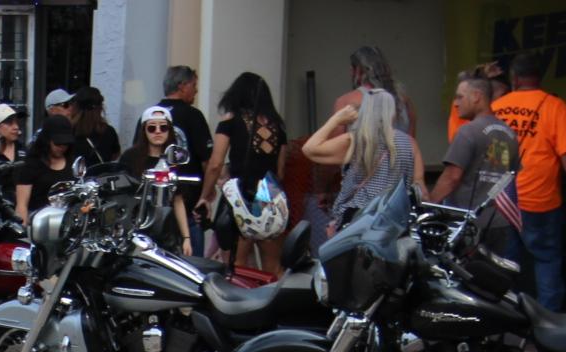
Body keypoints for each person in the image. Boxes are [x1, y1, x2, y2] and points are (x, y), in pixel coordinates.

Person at [491, 52, 566, 308]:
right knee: (547, 261)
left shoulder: (497, 107)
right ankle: (548, 322)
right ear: (539, 77)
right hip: (539, 200)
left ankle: (505, 318)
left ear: (514, 78)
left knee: (504, 265)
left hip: (501, 200)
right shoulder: (554, 106)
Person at [198, 71, 287, 273]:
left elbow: (215, 163)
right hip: (271, 197)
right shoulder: (278, 126)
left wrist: (205, 195)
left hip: (241, 197)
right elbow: (280, 171)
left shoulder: (230, 120)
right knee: (273, 267)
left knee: (237, 266)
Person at [306, 87, 423, 234]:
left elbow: (309, 149)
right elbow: (419, 186)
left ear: (366, 110)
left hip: (358, 219)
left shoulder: (356, 141)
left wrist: (336, 119)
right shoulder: (410, 143)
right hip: (396, 220)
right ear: (392, 112)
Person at [430, 71, 518, 209]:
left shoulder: (468, 131)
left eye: (460, 97)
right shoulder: (510, 134)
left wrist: (429, 204)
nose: (456, 103)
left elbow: (451, 177)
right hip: (500, 215)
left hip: (469, 217)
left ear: (477, 96)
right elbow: (510, 177)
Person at [157, 66, 213, 253]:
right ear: (182, 86)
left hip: (157, 208)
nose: (196, 91)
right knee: (191, 265)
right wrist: (206, 194)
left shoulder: (150, 116)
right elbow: (208, 161)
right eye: (193, 85)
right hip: (190, 206)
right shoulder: (193, 116)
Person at [122, 105, 189, 251]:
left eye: (163, 127)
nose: (158, 131)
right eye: (152, 128)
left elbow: (178, 200)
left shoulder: (175, 158)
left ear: (169, 130)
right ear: (144, 131)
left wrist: (186, 238)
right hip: (136, 228)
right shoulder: (130, 157)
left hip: (166, 230)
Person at [14, 114, 76, 222]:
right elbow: (22, 205)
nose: (62, 147)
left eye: (66, 143)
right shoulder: (32, 164)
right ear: (47, 140)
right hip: (39, 221)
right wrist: (22, 228)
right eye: (58, 143)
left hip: (68, 221)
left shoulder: (73, 163)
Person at [69, 87, 120, 165]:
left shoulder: (69, 132)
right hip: (101, 172)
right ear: (100, 108)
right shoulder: (109, 131)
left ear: (76, 107)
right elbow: (115, 155)